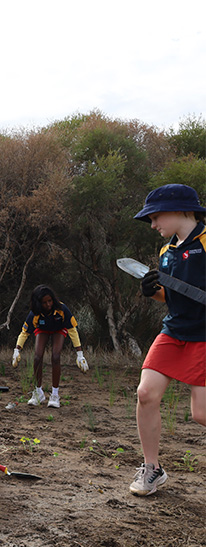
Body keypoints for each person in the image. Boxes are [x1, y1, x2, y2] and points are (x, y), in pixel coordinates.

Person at [129, 184, 206, 496]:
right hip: (174, 331)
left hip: (204, 336)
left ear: (179, 210)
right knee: (145, 393)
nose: (153, 224)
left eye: (156, 216)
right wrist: (153, 290)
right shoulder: (166, 252)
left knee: (201, 414)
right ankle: (152, 469)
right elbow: (171, 297)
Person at [12, 285, 89, 408]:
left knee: (55, 356)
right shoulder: (34, 314)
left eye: (50, 301)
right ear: (38, 303)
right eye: (44, 302)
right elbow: (25, 332)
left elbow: (72, 330)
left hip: (59, 329)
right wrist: (17, 350)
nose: (48, 305)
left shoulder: (62, 309)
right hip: (42, 329)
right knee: (37, 357)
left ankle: (55, 394)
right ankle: (38, 392)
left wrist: (80, 354)